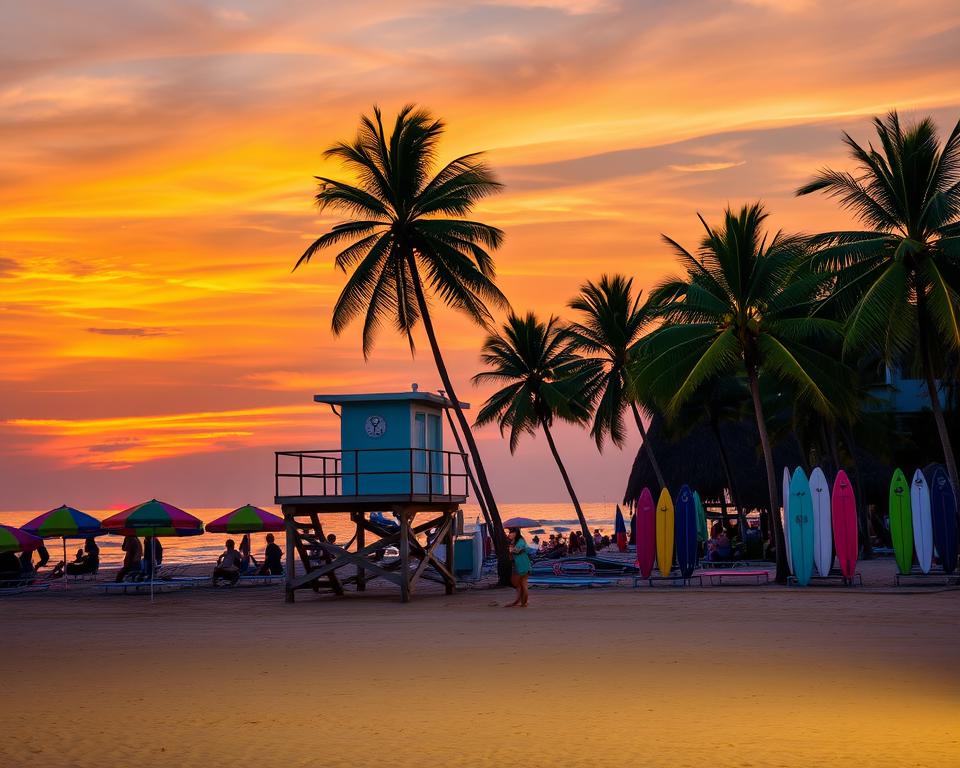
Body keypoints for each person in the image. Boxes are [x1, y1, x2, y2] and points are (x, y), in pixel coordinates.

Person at [505, 527, 530, 608]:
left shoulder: (520, 541)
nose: (509, 534)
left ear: (515, 533)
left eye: (511, 533)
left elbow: (517, 551)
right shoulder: (516, 541)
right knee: (521, 584)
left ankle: (522, 602)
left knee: (520, 583)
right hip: (520, 564)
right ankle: (522, 602)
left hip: (521, 564)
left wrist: (511, 549)